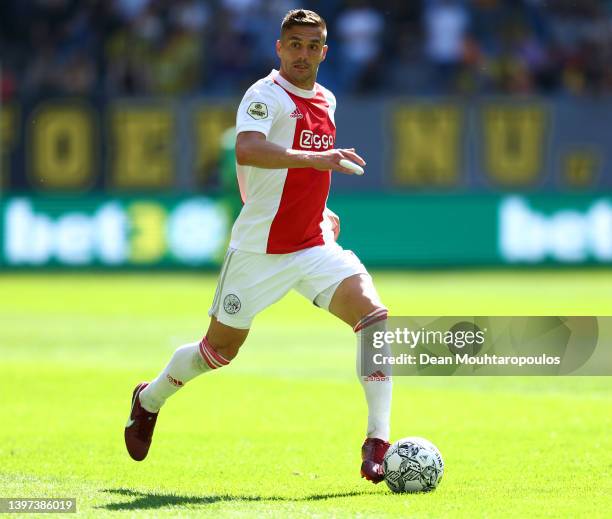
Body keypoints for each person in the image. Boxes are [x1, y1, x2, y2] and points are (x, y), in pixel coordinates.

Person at [124, 8, 393, 484]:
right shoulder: (263, 95)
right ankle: (149, 399)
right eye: (295, 44)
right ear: (279, 48)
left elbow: (300, 174)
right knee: (217, 352)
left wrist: (322, 207)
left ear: (324, 52)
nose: (303, 54)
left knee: (373, 318)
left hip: (313, 244)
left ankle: (377, 441)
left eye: (313, 46)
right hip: (258, 250)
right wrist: (321, 160)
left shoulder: (327, 99)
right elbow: (247, 150)